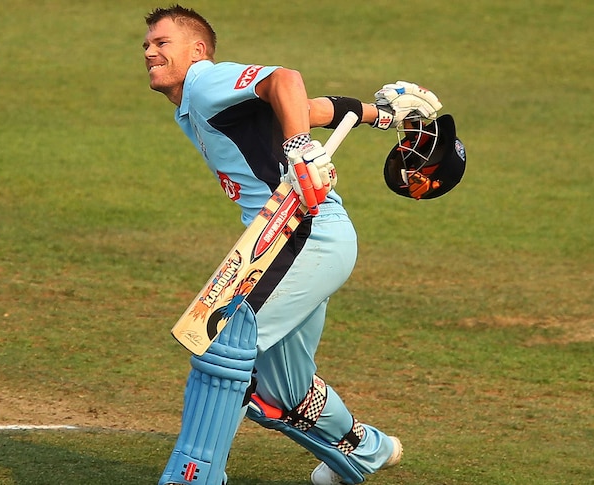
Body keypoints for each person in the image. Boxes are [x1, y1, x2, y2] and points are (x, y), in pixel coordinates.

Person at [143, 6, 444, 485]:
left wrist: (299, 146)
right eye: (147, 46)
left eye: (162, 43)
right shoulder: (198, 104)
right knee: (278, 390)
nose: (150, 52)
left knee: (222, 338)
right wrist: (380, 116)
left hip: (305, 233)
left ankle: (192, 477)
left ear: (197, 50)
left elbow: (286, 79)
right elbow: (302, 107)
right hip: (285, 238)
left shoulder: (203, 81)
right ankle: (364, 449)